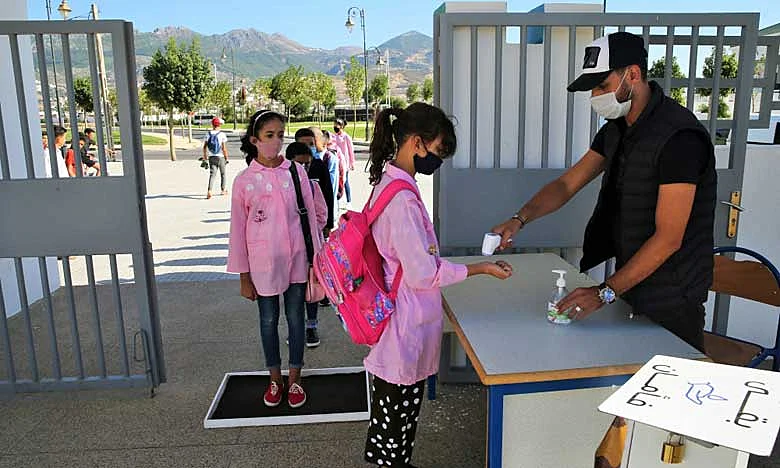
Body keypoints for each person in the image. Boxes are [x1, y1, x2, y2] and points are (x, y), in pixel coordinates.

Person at [491, 32, 716, 351]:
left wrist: (604, 292)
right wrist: (519, 219)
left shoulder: (679, 137)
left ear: (633, 75)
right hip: (632, 288)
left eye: (601, 86)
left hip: (673, 298)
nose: (595, 96)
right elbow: (567, 184)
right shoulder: (616, 130)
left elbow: (669, 238)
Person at [364, 103, 513, 468]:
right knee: (395, 418)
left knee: (393, 420)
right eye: (439, 150)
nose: (439, 160)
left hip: (397, 317)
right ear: (417, 143)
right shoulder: (402, 200)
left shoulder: (392, 182)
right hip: (403, 323)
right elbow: (422, 274)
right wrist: (480, 269)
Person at [227, 109, 321, 408]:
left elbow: (311, 222)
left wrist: (317, 261)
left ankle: (295, 378)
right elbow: (237, 231)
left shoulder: (296, 173)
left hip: (296, 260)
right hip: (262, 265)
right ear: (255, 140)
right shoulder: (245, 181)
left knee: (295, 317)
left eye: (280, 135)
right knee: (268, 320)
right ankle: (274, 377)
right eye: (269, 136)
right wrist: (244, 276)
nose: (276, 142)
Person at [285, 142, 329, 348]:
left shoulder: (313, 186)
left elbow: (322, 213)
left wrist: (311, 229)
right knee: (293, 292)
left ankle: (311, 327)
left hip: (311, 248)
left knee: (312, 289)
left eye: (307, 165)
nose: (304, 169)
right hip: (288, 250)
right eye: (299, 164)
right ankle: (295, 329)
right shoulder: (282, 187)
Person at [294, 128, 335, 237]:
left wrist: (328, 224)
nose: (308, 147)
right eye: (303, 144)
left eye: (311, 144)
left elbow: (328, 195)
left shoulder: (320, 166)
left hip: (317, 221)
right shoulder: (289, 167)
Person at [202, 117, 229, 199]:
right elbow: (224, 148)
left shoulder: (208, 134)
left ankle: (209, 190)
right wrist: (226, 157)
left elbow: (204, 147)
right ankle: (223, 190)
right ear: (219, 125)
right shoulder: (222, 134)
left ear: (212, 124)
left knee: (212, 174)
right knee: (223, 174)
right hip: (220, 157)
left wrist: (205, 157)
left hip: (211, 157)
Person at [332, 118, 355, 210]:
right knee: (337, 181)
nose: (335, 127)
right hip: (336, 162)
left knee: (345, 181)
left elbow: (351, 151)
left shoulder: (346, 137)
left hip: (344, 163)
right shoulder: (334, 136)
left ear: (341, 126)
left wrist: (352, 163)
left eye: (336, 125)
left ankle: (349, 201)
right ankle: (337, 199)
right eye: (334, 125)